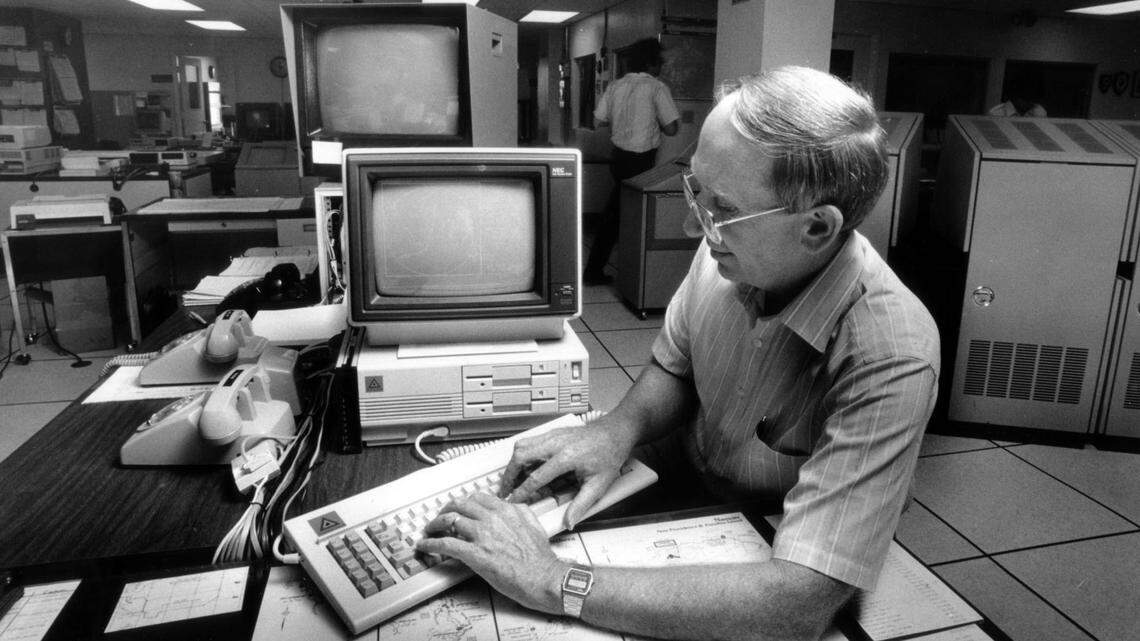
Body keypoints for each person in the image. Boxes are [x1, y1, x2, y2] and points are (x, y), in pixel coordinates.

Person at [417, 66, 940, 641]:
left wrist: (551, 580)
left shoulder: (892, 355)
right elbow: (674, 367)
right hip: (686, 482)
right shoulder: (731, 250)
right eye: (697, 190)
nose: (697, 224)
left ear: (817, 228)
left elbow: (798, 603)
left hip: (772, 542)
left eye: (721, 208)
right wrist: (616, 430)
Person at [583, 38, 681, 285]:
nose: (661, 66)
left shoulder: (616, 86)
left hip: (618, 159)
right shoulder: (657, 87)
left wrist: (624, 121)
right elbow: (671, 128)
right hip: (641, 162)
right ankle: (605, 272)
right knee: (626, 216)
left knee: (620, 213)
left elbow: (598, 121)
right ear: (651, 62)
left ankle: (608, 269)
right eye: (659, 62)